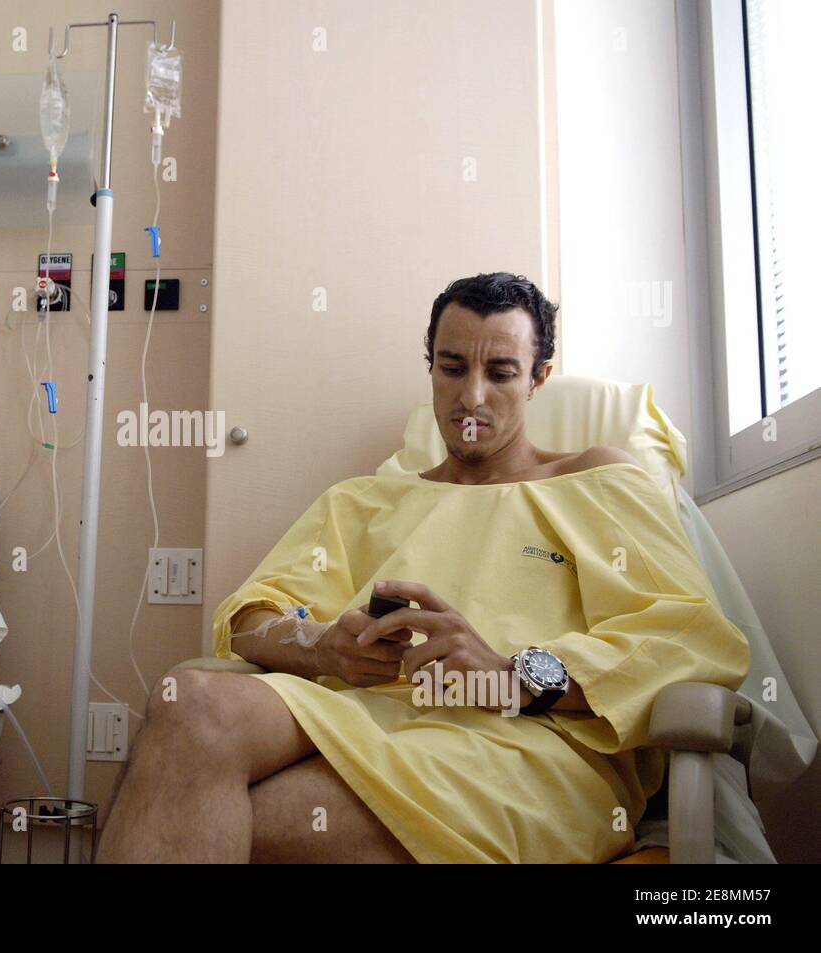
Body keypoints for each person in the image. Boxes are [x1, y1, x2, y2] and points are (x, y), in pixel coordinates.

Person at [96, 272, 749, 863]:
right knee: (190, 701)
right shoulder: (362, 502)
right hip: (353, 714)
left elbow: (685, 636)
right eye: (452, 367)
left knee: (194, 806)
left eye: (500, 371)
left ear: (539, 377)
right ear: (430, 368)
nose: (472, 396)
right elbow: (256, 616)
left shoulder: (596, 480)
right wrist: (320, 644)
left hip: (515, 747)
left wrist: (512, 672)